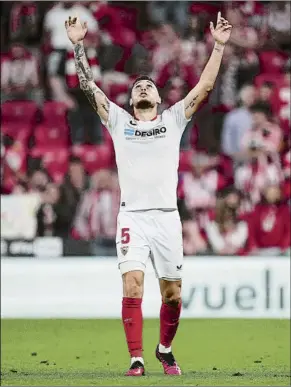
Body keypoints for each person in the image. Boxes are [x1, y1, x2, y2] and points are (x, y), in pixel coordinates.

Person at [65, 12, 232, 376]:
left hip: (167, 218)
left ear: (158, 97)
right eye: (137, 86)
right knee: (133, 284)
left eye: (149, 86)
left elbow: (203, 86)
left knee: (172, 294)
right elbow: (88, 86)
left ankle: (165, 350)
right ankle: (137, 359)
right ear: (130, 98)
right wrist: (79, 45)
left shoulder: (173, 119)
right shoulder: (119, 122)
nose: (143, 87)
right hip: (133, 217)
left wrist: (218, 46)